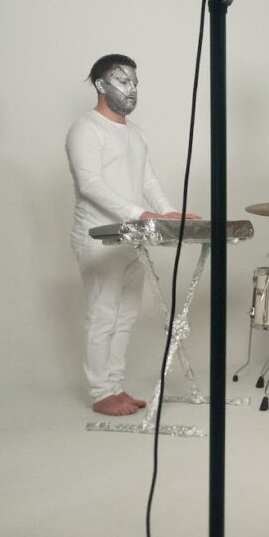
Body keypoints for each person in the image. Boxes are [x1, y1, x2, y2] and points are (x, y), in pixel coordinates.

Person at [66, 53, 200, 417]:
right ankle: (101, 392)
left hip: (132, 239)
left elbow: (147, 180)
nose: (132, 90)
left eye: (135, 83)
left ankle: (116, 386)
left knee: (126, 315)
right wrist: (140, 214)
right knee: (103, 314)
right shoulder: (86, 128)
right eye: (123, 81)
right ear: (100, 84)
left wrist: (167, 211)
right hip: (98, 238)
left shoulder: (135, 133)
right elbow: (90, 184)